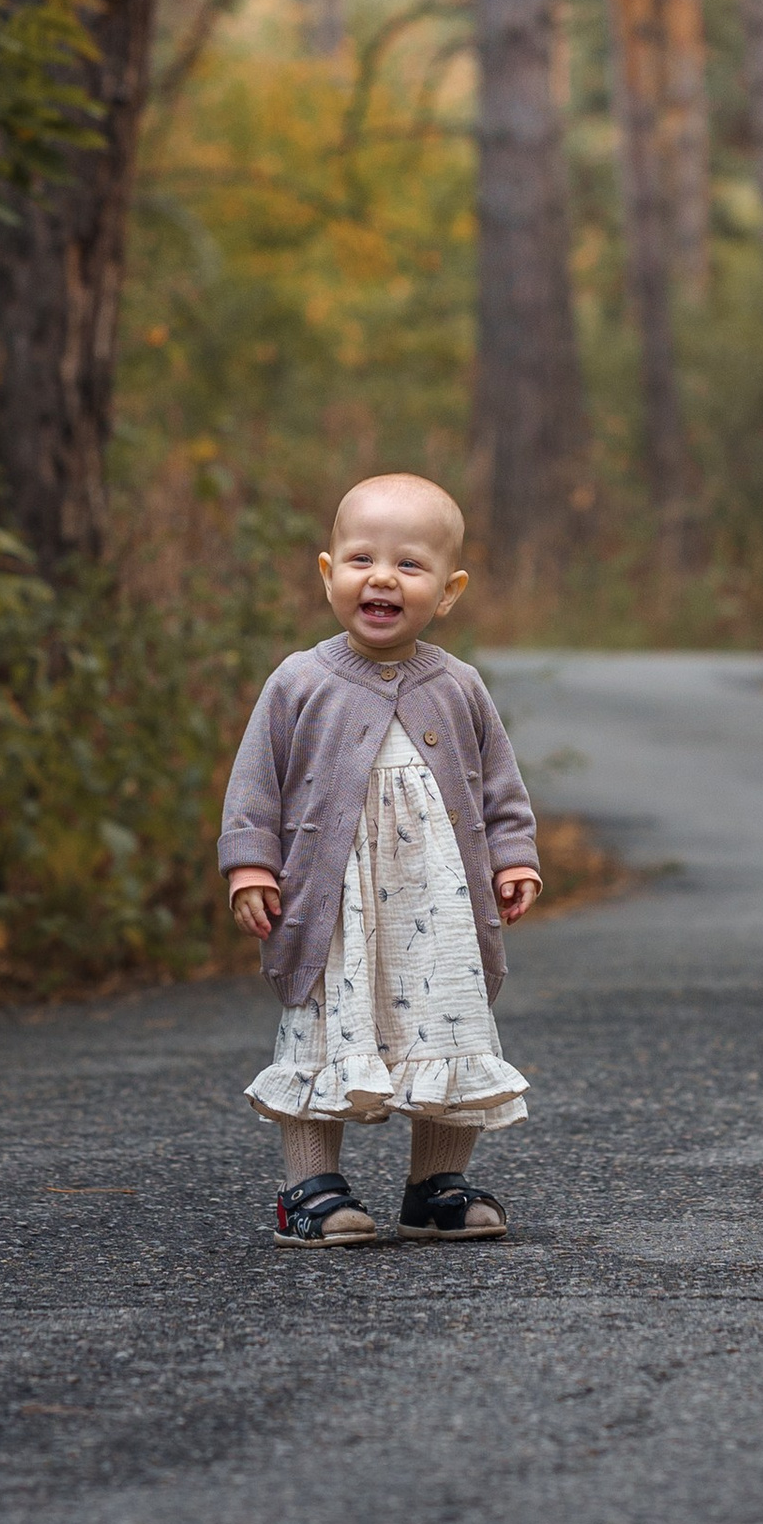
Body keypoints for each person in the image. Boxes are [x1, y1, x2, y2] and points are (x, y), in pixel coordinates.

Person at [219, 470, 542, 1245]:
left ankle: (435, 1187)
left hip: (438, 904)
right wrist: (250, 866)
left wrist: (513, 856)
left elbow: (499, 782)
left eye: (410, 564)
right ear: (330, 572)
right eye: (362, 559)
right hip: (335, 908)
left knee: (449, 1026)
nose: (383, 578)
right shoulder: (301, 680)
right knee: (322, 1030)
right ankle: (309, 1190)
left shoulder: (460, 686)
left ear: (450, 589)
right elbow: (255, 784)